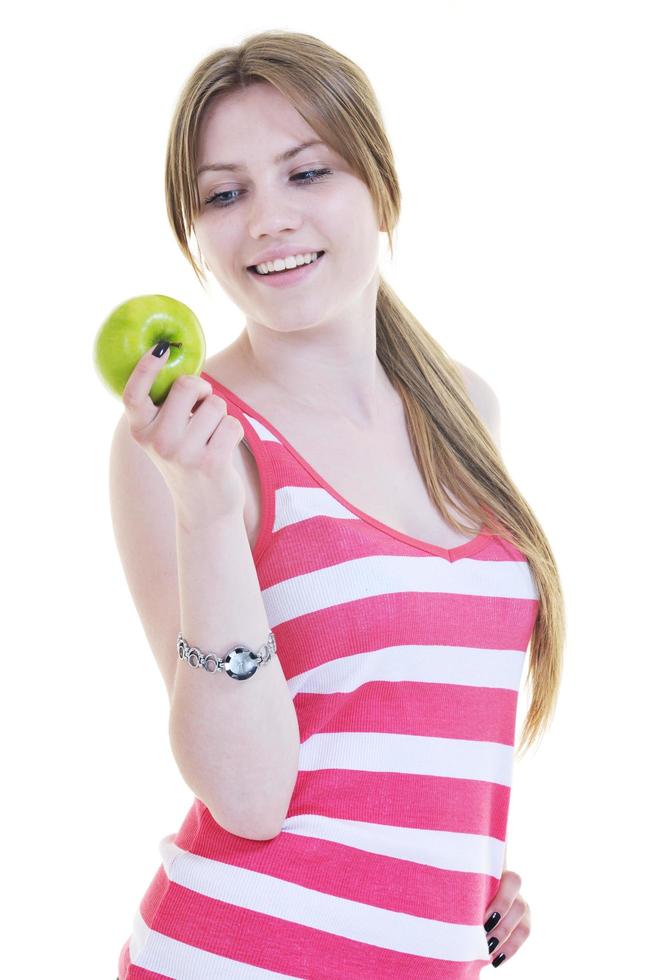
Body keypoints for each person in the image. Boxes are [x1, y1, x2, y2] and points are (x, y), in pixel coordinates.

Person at [110, 30, 565, 979]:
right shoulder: (185, 439)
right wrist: (200, 506)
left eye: (306, 173)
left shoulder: (464, 408)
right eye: (225, 193)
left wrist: (447, 866)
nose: (268, 219)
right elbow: (249, 796)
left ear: (380, 188)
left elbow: (417, 717)